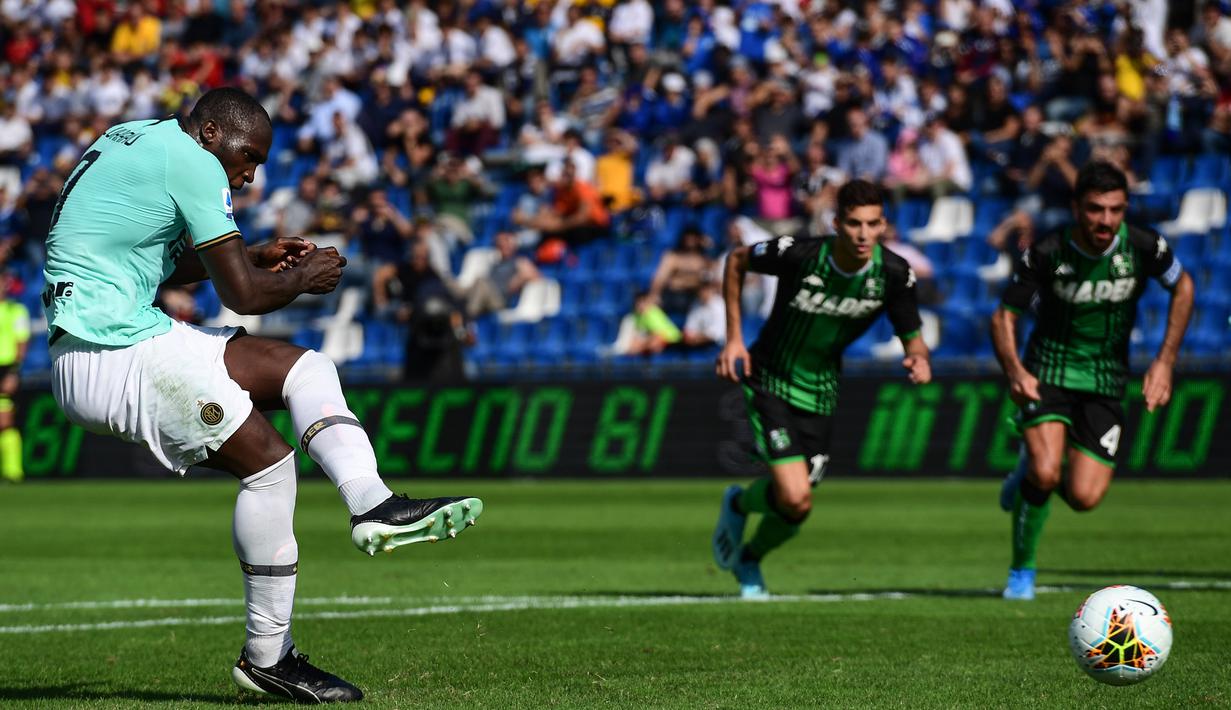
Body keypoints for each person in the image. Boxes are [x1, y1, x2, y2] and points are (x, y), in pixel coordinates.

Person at [41, 88, 484, 702]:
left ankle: (372, 503)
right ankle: (268, 658)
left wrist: (252, 254)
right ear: (214, 133)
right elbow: (245, 297)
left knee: (304, 368)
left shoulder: (137, 138)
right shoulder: (193, 160)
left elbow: (154, 261)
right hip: (111, 350)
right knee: (271, 466)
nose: (249, 177)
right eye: (247, 158)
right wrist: (304, 276)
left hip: (110, 335)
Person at [711, 180, 931, 598]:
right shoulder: (801, 254)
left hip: (822, 391)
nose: (864, 234)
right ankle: (741, 515)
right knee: (792, 493)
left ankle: (749, 546)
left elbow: (913, 337)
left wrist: (919, 358)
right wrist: (734, 339)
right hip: (770, 378)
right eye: (853, 224)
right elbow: (737, 260)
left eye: (872, 223)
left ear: (884, 224)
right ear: (836, 224)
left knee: (798, 505)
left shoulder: (894, 274)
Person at [990, 161, 1193, 601]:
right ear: (1076, 207)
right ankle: (1021, 571)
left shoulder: (1145, 246)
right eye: (1095, 209)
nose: (1105, 220)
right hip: (1048, 372)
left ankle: (1029, 470)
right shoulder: (1047, 251)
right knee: (1046, 474)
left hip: (1106, 379)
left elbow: (1184, 287)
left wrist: (1164, 362)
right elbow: (1004, 314)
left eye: (1115, 209)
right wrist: (1015, 372)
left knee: (1084, 497)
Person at [0, 270, 28, 483]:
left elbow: (21, 343)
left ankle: (13, 471)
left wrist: (14, 372)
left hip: (5, 370)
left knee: (5, 423)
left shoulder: (16, 311)